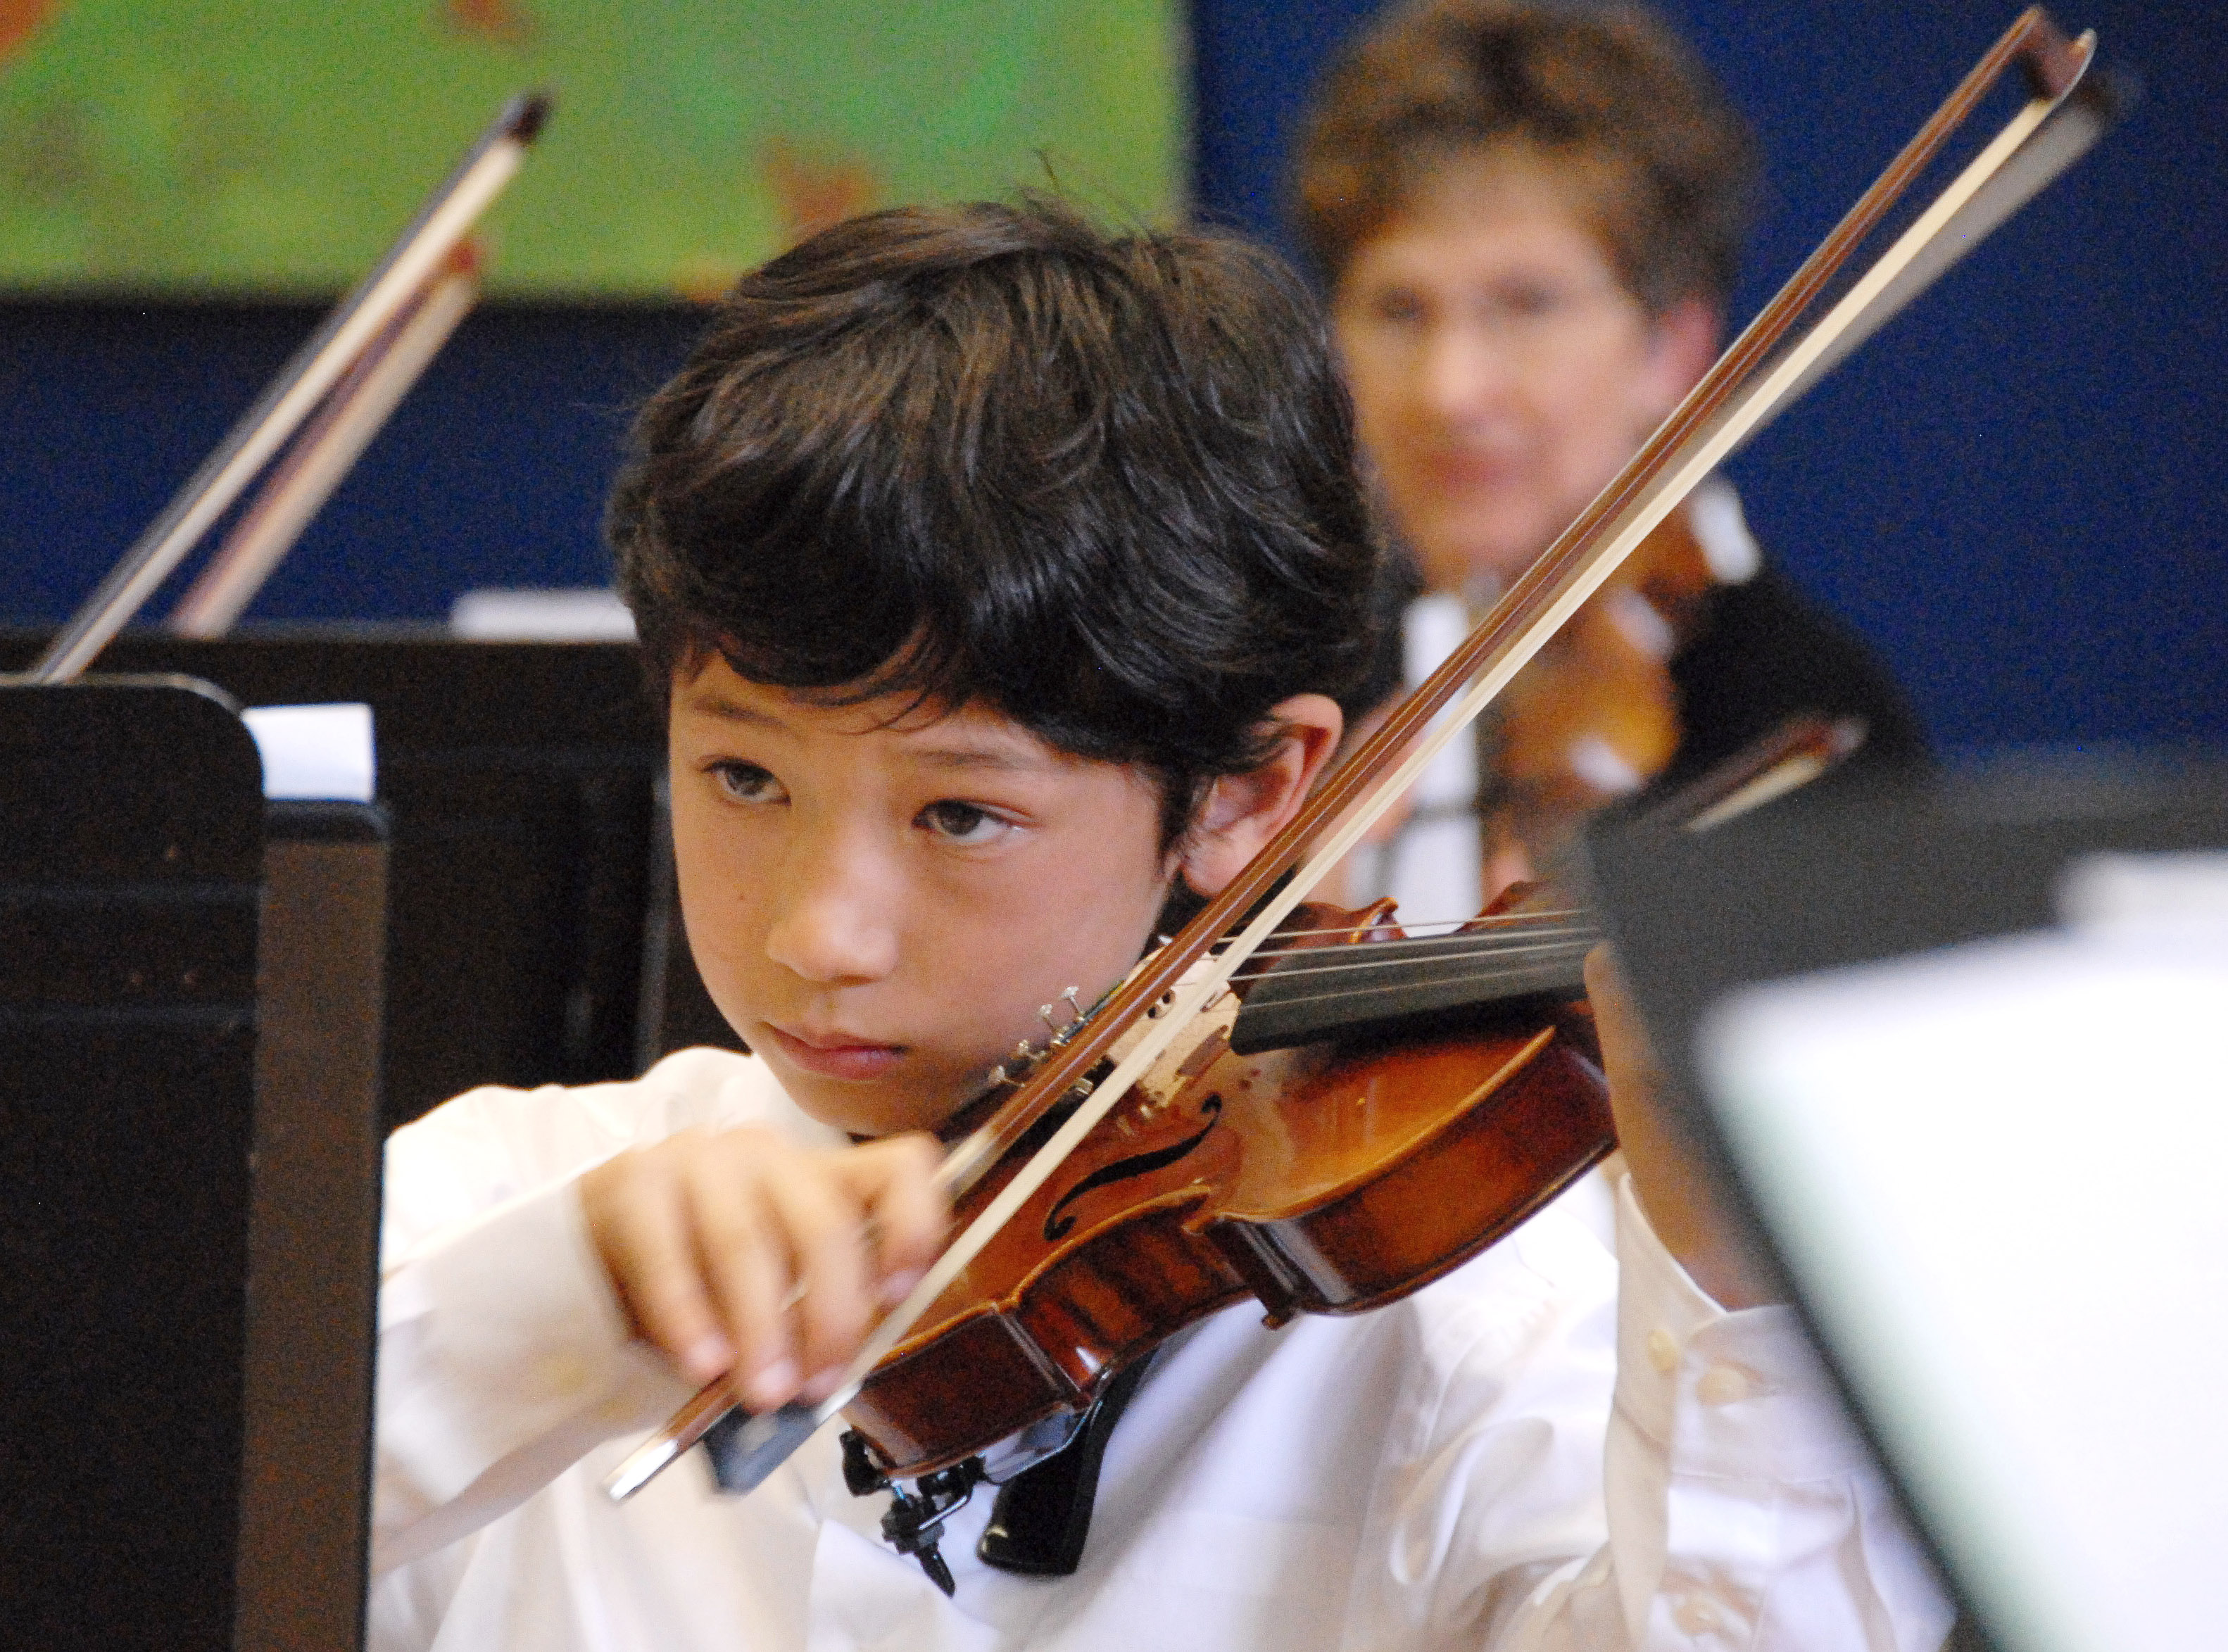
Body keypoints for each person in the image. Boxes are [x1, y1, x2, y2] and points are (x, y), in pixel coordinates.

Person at [367, 198, 1947, 1651]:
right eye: (741, 775)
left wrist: (1732, 1281)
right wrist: (557, 1310)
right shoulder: (493, 1201)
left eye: (958, 813)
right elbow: (160, 1530)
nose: (815, 936)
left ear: (1251, 792)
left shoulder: (1455, 1338)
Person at [1295, 0, 1929, 914]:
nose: (1449, 390)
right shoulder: (1290, 708)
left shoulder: (1802, 725)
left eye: (1527, 304)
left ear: (1673, 346)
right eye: (1398, 311)